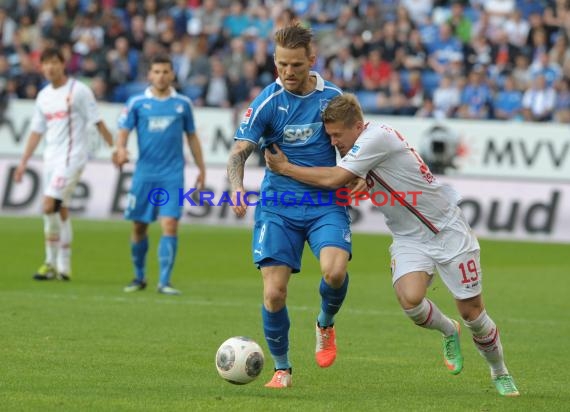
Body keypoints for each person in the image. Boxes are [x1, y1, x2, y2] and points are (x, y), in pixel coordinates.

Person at [264, 93, 520, 397]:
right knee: (411, 301)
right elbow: (354, 176)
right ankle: (449, 330)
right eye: (329, 135)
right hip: (409, 237)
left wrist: (286, 168)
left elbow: (335, 178)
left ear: (357, 126)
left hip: (448, 231)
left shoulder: (377, 138)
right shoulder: (362, 145)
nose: (333, 142)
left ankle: (499, 371)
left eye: (336, 135)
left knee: (473, 313)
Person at [226, 24, 355, 388]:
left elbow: (350, 146)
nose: (288, 72)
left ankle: (325, 323)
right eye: (281, 64)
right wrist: (236, 187)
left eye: (296, 65)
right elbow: (239, 151)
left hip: (325, 201)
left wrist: (357, 172)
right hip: (278, 206)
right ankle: (282, 368)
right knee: (273, 292)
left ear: (311, 61)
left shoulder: (331, 97)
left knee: (334, 273)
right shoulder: (268, 101)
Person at [14, 47, 113, 281]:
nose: (49, 68)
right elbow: (36, 132)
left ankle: (50, 262)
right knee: (62, 209)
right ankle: (64, 267)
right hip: (51, 159)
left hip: (73, 157)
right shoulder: (43, 96)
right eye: (45, 63)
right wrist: (23, 163)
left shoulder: (79, 91)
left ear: (63, 64)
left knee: (49, 206)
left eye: (54, 63)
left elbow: (97, 122)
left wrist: (115, 148)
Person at [113, 54, 205, 296]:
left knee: (170, 224)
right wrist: (121, 149)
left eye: (165, 71)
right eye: (156, 72)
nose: (161, 76)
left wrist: (202, 168)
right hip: (144, 173)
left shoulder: (182, 104)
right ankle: (139, 276)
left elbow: (192, 137)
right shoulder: (137, 103)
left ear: (172, 74)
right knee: (139, 227)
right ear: (149, 75)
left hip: (172, 174)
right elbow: (123, 130)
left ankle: (164, 281)